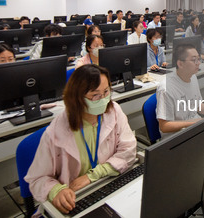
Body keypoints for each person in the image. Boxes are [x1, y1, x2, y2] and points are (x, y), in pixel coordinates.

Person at [25, 65, 137, 214]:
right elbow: (38, 178)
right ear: (77, 97)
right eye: (95, 95)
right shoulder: (56, 130)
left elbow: (128, 150)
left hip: (107, 184)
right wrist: (56, 191)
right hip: (76, 198)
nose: (103, 99)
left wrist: (93, 175)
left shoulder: (114, 111)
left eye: (106, 92)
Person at [156, 44, 204, 138]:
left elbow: (197, 105)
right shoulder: (166, 89)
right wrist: (194, 122)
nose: (198, 63)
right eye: (194, 60)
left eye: (198, 59)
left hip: (194, 129)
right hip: (177, 138)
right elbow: (164, 126)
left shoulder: (192, 77)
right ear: (180, 64)